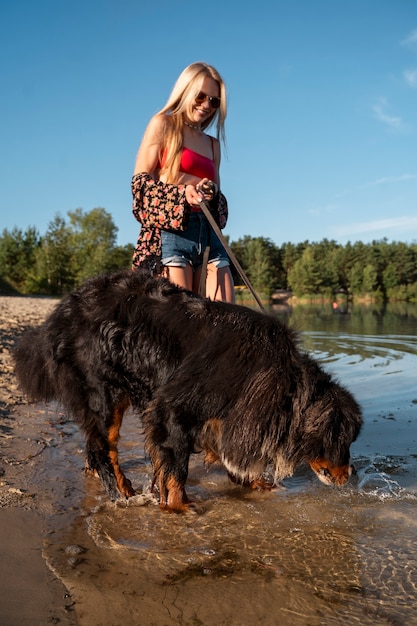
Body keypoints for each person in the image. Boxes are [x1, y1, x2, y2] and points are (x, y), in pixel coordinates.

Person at [131, 62, 235, 303]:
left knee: (227, 320)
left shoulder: (213, 145)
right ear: (185, 91)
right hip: (173, 233)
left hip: (208, 232)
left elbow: (217, 191)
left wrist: (211, 192)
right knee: (181, 325)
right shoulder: (163, 124)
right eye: (200, 96)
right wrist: (181, 193)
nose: (206, 105)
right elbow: (140, 184)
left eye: (214, 101)